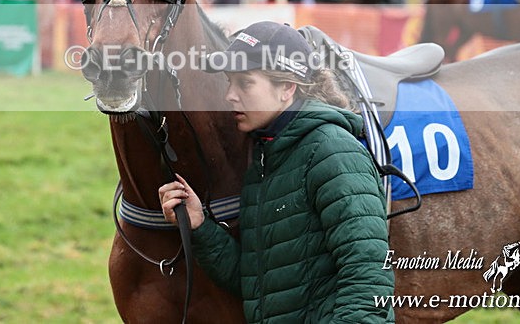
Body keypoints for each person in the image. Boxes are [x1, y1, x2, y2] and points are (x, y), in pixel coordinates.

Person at [159, 21, 394, 322]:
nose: (230, 95)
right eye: (230, 82)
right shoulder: (265, 155)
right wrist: (200, 227)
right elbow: (260, 283)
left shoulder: (333, 152)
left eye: (244, 83)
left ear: (286, 88)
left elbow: (369, 280)